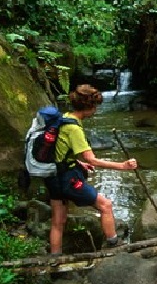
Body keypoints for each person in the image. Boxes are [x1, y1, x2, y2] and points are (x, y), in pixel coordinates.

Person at [44, 84, 137, 255]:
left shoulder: (64, 118)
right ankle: (113, 243)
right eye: (95, 107)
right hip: (67, 180)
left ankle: (55, 257)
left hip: (52, 177)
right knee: (105, 205)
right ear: (89, 107)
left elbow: (60, 151)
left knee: (58, 221)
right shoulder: (74, 129)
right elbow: (91, 158)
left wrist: (78, 164)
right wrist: (122, 166)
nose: (95, 111)